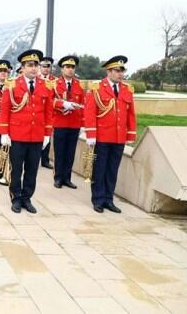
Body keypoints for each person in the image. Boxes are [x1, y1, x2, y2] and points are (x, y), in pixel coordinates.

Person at [0, 49, 53, 213]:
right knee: (16, 169)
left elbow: (49, 111)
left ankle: (27, 198)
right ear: (22, 67)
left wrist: (46, 134)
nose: (34, 68)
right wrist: (4, 133)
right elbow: (5, 109)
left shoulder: (46, 85)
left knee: (32, 169)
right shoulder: (13, 84)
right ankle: (16, 198)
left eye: (36, 65)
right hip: (18, 134)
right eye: (30, 65)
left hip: (36, 135)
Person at [84, 56, 136, 213]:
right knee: (100, 169)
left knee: (112, 169)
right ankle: (98, 199)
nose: (120, 74)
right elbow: (90, 112)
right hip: (102, 136)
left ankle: (108, 199)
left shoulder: (127, 89)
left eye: (122, 71)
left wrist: (130, 135)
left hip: (119, 137)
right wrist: (91, 135)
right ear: (109, 71)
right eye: (117, 71)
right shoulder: (97, 88)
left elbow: (131, 114)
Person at [52, 55, 85, 189]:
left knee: (70, 153)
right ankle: (58, 178)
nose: (70, 70)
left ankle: (67, 178)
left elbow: (83, 104)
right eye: (67, 67)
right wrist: (62, 104)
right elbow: (49, 101)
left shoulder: (79, 85)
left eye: (72, 67)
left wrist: (83, 124)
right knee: (59, 152)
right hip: (60, 122)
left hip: (74, 123)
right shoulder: (54, 84)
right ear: (62, 69)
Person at [40, 56, 55, 169]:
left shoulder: (54, 81)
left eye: (48, 66)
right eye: (43, 66)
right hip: (37, 112)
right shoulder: (35, 78)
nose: (45, 68)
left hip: (49, 113)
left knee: (47, 136)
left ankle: (45, 160)